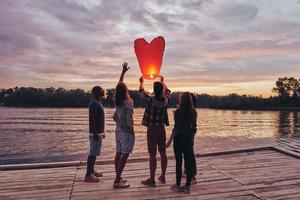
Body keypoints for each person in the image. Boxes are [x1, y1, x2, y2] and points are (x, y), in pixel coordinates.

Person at [139, 75, 171, 187]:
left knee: (152, 154)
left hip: (152, 129)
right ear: (161, 90)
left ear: (154, 90)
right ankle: (163, 176)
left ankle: (152, 179)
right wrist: (163, 82)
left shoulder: (150, 100)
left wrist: (141, 82)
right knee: (163, 152)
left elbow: (141, 93)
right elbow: (168, 91)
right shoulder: (166, 101)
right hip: (161, 129)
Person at [166, 92, 197, 194]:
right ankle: (187, 186)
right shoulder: (194, 112)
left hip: (179, 139)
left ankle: (178, 184)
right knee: (188, 163)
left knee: (179, 162)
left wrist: (169, 140)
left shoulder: (178, 112)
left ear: (181, 100)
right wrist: (192, 139)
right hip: (188, 139)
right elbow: (194, 129)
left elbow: (176, 128)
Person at [112, 62, 135, 188]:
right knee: (125, 155)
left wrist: (123, 73)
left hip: (118, 131)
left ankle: (118, 176)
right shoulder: (128, 103)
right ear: (126, 90)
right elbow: (129, 120)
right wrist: (131, 131)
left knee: (118, 153)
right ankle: (117, 180)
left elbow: (119, 86)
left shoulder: (117, 101)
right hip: (126, 132)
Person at [84, 85, 106, 182]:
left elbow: (100, 118)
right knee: (92, 153)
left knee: (95, 153)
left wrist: (102, 132)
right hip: (95, 133)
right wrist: (96, 133)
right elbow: (92, 119)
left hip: (99, 132)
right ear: (97, 93)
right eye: (101, 90)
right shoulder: (93, 103)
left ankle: (92, 171)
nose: (103, 91)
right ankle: (88, 175)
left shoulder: (98, 102)